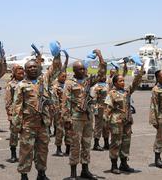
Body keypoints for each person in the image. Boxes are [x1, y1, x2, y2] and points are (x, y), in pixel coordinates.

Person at [12, 53, 61, 180]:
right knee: (26, 151)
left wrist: (57, 55)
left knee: (42, 150)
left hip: (43, 124)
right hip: (28, 125)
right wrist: (17, 126)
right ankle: (24, 175)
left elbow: (55, 69)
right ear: (25, 70)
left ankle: (41, 174)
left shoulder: (44, 81)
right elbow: (17, 107)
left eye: (35, 67)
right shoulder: (21, 85)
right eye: (29, 67)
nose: (33, 69)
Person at [63, 49, 106, 180]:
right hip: (75, 118)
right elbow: (65, 103)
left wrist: (100, 56)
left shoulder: (88, 81)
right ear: (75, 71)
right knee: (75, 145)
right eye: (80, 69)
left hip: (88, 117)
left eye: (84, 69)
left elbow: (101, 73)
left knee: (87, 144)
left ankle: (85, 170)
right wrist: (66, 119)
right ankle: (73, 173)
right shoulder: (70, 83)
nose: (83, 71)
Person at [104, 62, 144, 174]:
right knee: (116, 143)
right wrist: (106, 125)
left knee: (126, 143)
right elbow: (107, 109)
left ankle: (124, 164)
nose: (123, 82)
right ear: (115, 83)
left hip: (127, 122)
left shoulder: (127, 92)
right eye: (120, 81)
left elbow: (135, 83)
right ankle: (114, 165)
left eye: (123, 81)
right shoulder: (111, 93)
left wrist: (140, 72)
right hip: (116, 122)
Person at [5, 64, 24, 163]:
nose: (21, 72)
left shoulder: (27, 82)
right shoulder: (11, 85)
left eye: (22, 70)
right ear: (14, 73)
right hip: (15, 113)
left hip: (26, 114)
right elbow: (8, 101)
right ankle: (13, 154)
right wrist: (9, 114)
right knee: (14, 135)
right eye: (19, 70)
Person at [91, 75, 110, 151]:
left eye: (104, 75)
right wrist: (95, 110)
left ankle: (106, 143)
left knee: (106, 126)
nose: (104, 77)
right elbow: (94, 98)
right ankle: (96, 144)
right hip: (99, 108)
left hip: (106, 108)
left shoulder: (107, 84)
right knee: (98, 126)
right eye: (102, 75)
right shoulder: (96, 86)